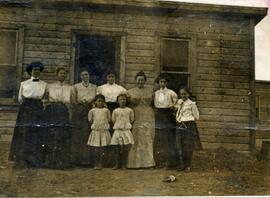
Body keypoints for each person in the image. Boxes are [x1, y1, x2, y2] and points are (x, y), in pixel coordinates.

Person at [9, 61, 47, 168]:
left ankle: (35, 160)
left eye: (39, 70)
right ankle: (22, 160)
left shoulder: (44, 85)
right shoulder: (24, 84)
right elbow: (20, 99)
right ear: (30, 71)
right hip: (26, 109)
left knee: (36, 133)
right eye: (35, 70)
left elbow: (45, 98)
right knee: (24, 133)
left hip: (38, 109)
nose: (37, 72)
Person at [44, 66, 76, 169]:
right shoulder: (50, 86)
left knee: (63, 136)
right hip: (52, 110)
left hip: (63, 110)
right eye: (60, 73)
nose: (62, 75)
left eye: (64, 73)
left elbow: (73, 102)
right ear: (56, 74)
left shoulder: (70, 88)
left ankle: (62, 162)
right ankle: (50, 162)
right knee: (52, 134)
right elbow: (44, 99)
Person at [126, 71, 155, 168]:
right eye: (139, 80)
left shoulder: (151, 91)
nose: (140, 82)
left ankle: (148, 163)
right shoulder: (129, 92)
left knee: (147, 137)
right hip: (136, 114)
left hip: (148, 114)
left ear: (145, 81)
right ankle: (135, 163)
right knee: (136, 137)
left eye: (142, 80)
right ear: (135, 80)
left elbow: (154, 103)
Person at [71, 68, 97, 166]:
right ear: (80, 76)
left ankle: (88, 161)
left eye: (86, 75)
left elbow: (96, 99)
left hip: (90, 109)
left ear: (89, 76)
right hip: (79, 110)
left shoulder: (94, 87)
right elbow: (73, 100)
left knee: (88, 134)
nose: (85, 76)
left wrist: (91, 103)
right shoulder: (76, 87)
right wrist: (79, 104)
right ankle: (77, 160)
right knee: (78, 135)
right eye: (83, 75)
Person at [174, 87, 202, 171]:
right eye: (181, 94)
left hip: (189, 125)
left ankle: (188, 165)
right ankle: (182, 165)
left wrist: (188, 118)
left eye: (185, 94)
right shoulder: (179, 102)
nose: (183, 96)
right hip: (180, 125)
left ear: (189, 94)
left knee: (188, 146)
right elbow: (176, 109)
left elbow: (197, 116)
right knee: (181, 146)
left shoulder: (192, 104)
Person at [153, 74, 178, 168]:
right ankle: (160, 162)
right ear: (158, 83)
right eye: (161, 82)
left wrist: (173, 108)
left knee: (168, 138)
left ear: (167, 83)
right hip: (159, 115)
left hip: (168, 115)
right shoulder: (156, 93)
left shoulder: (171, 93)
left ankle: (170, 162)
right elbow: (154, 104)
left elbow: (177, 103)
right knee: (160, 138)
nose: (162, 83)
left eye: (164, 82)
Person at [110, 94, 134, 169]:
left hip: (126, 131)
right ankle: (117, 164)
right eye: (120, 99)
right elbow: (113, 120)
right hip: (118, 130)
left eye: (124, 99)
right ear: (118, 101)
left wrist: (125, 126)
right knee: (116, 147)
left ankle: (124, 164)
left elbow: (131, 120)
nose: (122, 101)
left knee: (125, 148)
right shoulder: (115, 110)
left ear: (126, 101)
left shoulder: (130, 110)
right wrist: (119, 126)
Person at [87, 94, 111, 170]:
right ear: (95, 102)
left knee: (103, 148)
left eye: (102, 101)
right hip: (96, 132)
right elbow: (90, 120)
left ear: (104, 102)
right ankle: (96, 163)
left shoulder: (106, 110)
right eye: (98, 101)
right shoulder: (92, 111)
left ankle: (101, 163)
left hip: (104, 131)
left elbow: (109, 120)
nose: (100, 103)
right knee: (96, 149)